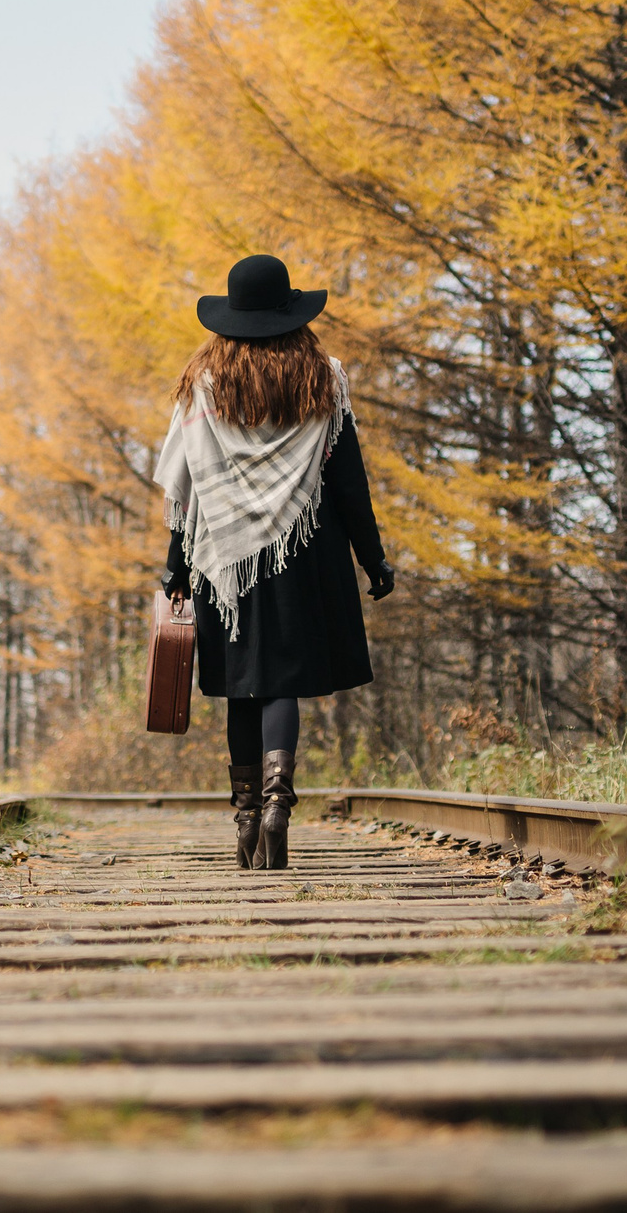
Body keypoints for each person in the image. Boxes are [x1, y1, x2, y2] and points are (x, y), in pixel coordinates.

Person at [154, 254, 394, 869]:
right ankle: (278, 807)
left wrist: (177, 567)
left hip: (223, 558)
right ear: (290, 312)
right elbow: (348, 480)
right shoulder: (322, 376)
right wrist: (373, 559)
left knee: (243, 683)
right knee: (282, 681)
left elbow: (189, 486)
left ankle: (245, 818)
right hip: (302, 549)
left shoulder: (203, 382)